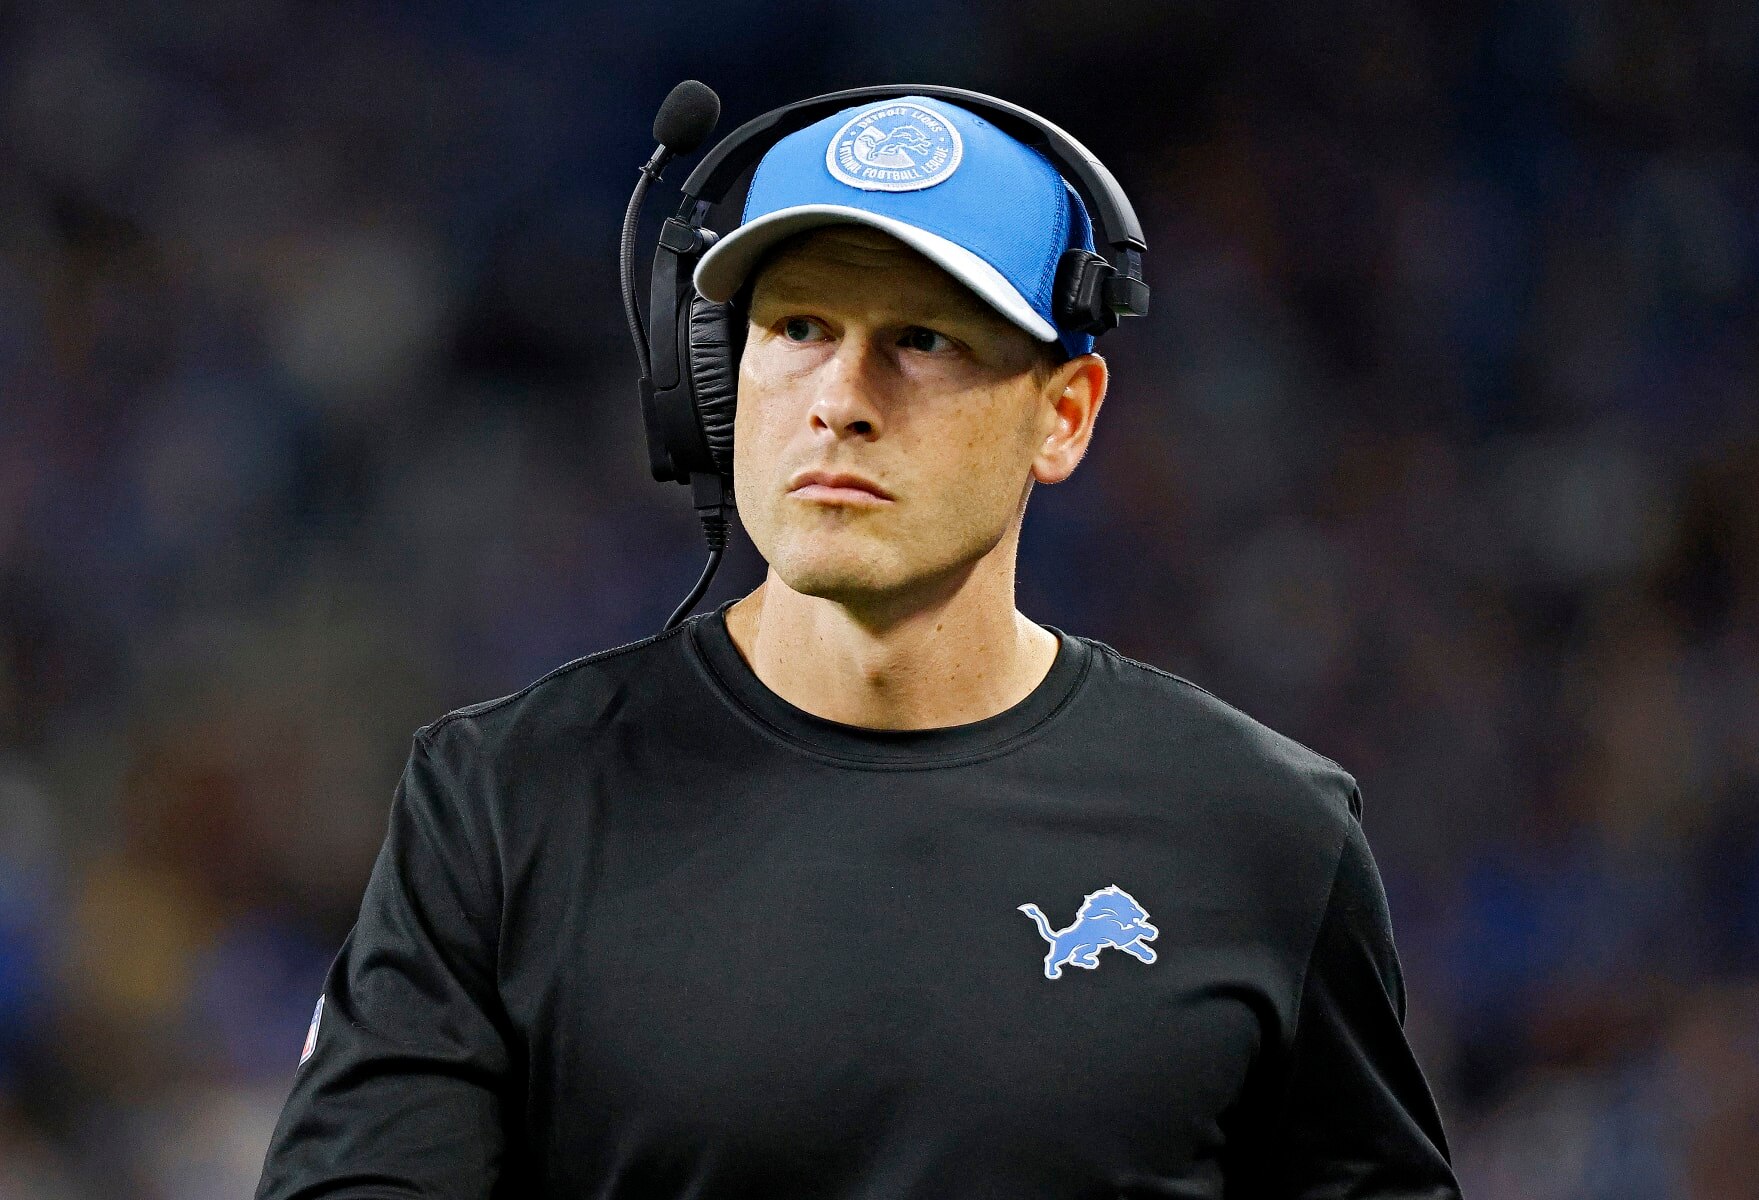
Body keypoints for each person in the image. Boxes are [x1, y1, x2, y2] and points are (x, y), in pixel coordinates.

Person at [255, 93, 1461, 1199]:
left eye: (925, 339)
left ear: (1066, 414)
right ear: (715, 387)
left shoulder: (1263, 836)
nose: (842, 394)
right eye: (799, 325)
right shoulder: (502, 807)